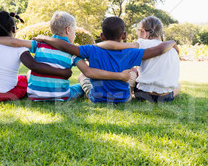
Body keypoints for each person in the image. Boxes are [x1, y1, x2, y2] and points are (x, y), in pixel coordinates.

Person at [0, 11, 131, 101]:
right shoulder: (73, 51)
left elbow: (15, 42)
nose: (74, 34)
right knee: (79, 86)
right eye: (74, 31)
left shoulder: (38, 43)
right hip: (61, 95)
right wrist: (119, 76)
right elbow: (89, 72)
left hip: (34, 95)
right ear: (67, 30)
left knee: (28, 73)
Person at [35, 16, 177, 104]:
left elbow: (67, 46)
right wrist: (172, 42)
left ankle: (81, 90)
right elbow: (157, 50)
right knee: (133, 71)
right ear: (124, 35)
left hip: (97, 98)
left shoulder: (91, 49)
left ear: (102, 36)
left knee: (82, 75)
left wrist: (45, 38)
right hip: (123, 99)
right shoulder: (131, 51)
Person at [0, 10, 72, 102]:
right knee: (23, 79)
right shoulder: (20, 48)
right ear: (14, 29)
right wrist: (61, 72)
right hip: (6, 93)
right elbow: (34, 66)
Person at [98, 16, 180, 102]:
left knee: (134, 69)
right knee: (178, 86)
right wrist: (172, 42)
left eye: (138, 31)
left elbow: (115, 48)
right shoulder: (172, 49)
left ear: (143, 32)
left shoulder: (140, 43)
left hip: (142, 94)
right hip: (165, 97)